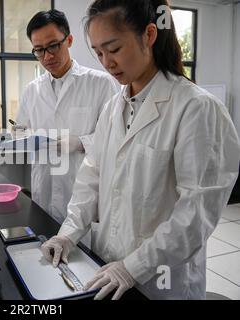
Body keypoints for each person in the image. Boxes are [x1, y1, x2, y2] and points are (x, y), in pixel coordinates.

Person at [41, 0, 240, 300]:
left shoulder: (197, 108)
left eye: (114, 49)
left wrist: (134, 267)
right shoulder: (113, 108)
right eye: (98, 52)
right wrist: (68, 234)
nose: (106, 62)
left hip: (163, 280)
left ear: (149, 34)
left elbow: (196, 214)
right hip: (107, 266)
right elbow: (90, 180)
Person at [15, 9, 117, 225]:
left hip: (82, 193)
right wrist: (25, 137)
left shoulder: (100, 83)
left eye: (53, 46)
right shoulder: (31, 90)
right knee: (45, 245)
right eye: (39, 50)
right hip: (44, 190)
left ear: (69, 40)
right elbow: (20, 129)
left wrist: (80, 142)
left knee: (83, 254)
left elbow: (115, 136)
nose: (47, 56)